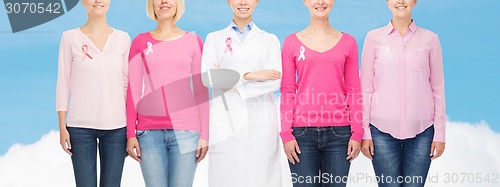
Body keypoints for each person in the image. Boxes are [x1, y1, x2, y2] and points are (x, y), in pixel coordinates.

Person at [360, 0, 446, 186]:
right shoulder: (373, 38)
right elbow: (366, 89)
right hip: (380, 132)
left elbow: (437, 88)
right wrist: (364, 131)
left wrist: (440, 134)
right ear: (388, 2)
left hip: (422, 132)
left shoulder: (431, 39)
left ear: (414, 2)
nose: (400, 2)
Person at [125, 0, 209, 186]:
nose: (164, 1)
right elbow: (134, 89)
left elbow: (201, 90)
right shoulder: (140, 41)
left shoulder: (193, 41)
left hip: (187, 132)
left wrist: (205, 135)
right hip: (149, 133)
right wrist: (131, 133)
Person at [280, 0, 363, 186]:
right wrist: (286, 133)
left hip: (340, 135)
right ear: (305, 2)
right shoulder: (291, 43)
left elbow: (354, 89)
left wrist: (357, 132)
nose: (320, 2)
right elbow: (287, 89)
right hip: (301, 135)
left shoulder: (348, 42)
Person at [201, 0, 283, 186]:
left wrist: (231, 83)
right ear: (229, 2)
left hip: (261, 121)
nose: (243, 2)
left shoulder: (269, 40)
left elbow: (274, 81)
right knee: (226, 176)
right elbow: (209, 78)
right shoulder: (214, 39)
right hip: (225, 121)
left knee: (263, 176)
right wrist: (250, 75)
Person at [56, 0, 130, 186]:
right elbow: (63, 83)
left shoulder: (123, 38)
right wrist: (62, 126)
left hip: (117, 128)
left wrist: (131, 131)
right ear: (82, 2)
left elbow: (127, 84)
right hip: (80, 128)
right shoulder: (70, 38)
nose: (98, 1)